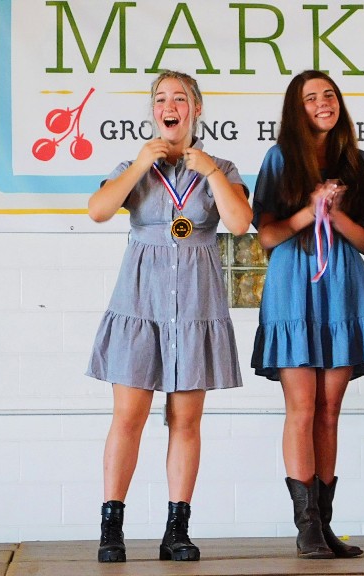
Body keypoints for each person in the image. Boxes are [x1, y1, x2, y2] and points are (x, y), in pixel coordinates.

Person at [86, 70, 252, 563]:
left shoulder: (221, 166)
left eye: (180, 98)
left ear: (196, 109)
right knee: (128, 417)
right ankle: (111, 528)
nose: (169, 106)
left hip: (195, 306)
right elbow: (98, 210)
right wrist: (141, 163)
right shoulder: (133, 165)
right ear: (154, 111)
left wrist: (212, 172)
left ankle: (176, 529)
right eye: (161, 99)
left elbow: (240, 222)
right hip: (140, 305)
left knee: (185, 420)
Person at [251, 70, 364, 559]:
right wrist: (310, 210)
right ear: (296, 108)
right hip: (293, 286)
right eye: (311, 97)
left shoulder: (360, 163)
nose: (323, 103)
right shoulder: (280, 158)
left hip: (343, 287)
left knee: (329, 411)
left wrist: (336, 210)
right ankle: (306, 527)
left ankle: (324, 526)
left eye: (329, 95)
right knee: (302, 408)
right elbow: (267, 236)